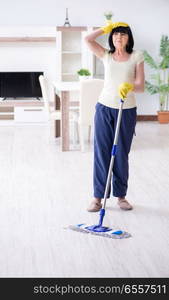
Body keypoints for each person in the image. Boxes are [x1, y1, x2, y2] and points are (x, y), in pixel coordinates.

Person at [85, 22, 145, 212]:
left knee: (120, 154)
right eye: (116, 34)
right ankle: (98, 197)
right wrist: (105, 28)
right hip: (104, 108)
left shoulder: (137, 56)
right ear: (112, 37)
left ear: (129, 38)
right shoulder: (106, 55)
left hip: (126, 110)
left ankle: (121, 196)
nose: (118, 37)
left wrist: (129, 86)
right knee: (101, 152)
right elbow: (87, 39)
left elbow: (140, 85)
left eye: (123, 35)